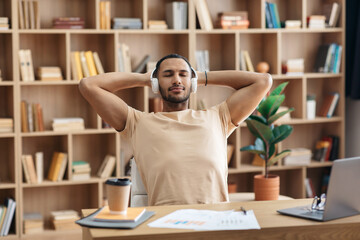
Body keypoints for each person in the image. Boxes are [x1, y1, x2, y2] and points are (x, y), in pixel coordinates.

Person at [79, 53, 272, 206]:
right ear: (156, 83)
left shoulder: (219, 117)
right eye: (168, 75)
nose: (177, 80)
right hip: (166, 225)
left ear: (192, 82)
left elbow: (263, 81)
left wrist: (201, 77)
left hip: (215, 222)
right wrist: (146, 79)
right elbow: (88, 85)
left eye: (183, 74)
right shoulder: (137, 122)